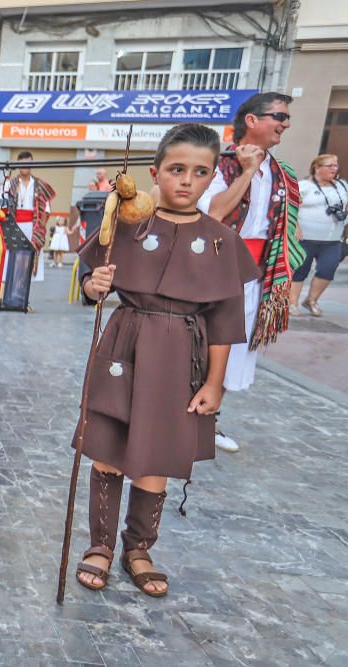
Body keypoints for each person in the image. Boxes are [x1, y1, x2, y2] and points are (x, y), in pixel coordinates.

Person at [73, 123, 259, 598]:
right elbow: (93, 278)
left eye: (200, 172)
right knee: (110, 451)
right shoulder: (129, 226)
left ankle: (139, 547)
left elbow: (223, 322)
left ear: (213, 177)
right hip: (125, 346)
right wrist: (95, 286)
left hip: (181, 358)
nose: (186, 181)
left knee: (156, 456)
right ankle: (100, 545)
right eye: (176, 170)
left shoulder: (221, 241)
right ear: (155, 172)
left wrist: (214, 385)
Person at [197, 92, 304, 453]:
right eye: (279, 116)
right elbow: (214, 213)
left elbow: (282, 229)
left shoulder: (281, 174)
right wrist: (245, 172)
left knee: (235, 347)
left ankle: (209, 421)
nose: (285, 124)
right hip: (213, 269)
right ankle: (181, 419)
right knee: (200, 343)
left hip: (255, 274)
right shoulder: (219, 163)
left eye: (287, 117)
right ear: (252, 121)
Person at [290, 154, 347, 316]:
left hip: (333, 239)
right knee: (300, 270)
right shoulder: (303, 186)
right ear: (317, 167)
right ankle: (292, 303)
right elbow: (291, 207)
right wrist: (296, 226)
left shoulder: (342, 186)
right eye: (330, 166)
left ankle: (311, 300)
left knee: (328, 270)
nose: (334, 169)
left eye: (336, 166)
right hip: (305, 238)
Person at [6, 150, 56, 287]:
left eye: (28, 163)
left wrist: (40, 228)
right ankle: (12, 296)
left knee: (29, 261)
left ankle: (24, 300)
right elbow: (3, 206)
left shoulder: (39, 184)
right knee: (14, 260)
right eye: (22, 163)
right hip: (15, 227)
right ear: (17, 165)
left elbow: (46, 209)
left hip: (33, 227)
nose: (25, 166)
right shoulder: (10, 184)